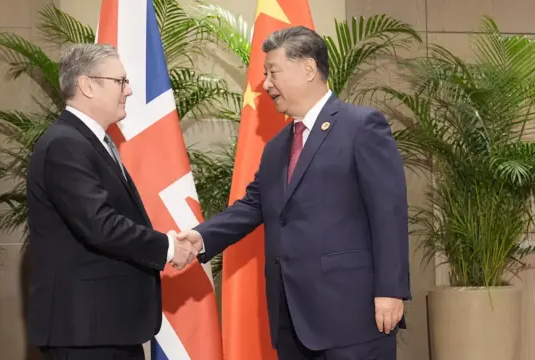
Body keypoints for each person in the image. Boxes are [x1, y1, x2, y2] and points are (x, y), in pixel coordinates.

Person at [176, 26, 411, 360]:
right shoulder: (276, 147)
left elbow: (388, 212)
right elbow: (253, 204)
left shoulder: (361, 126)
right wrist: (201, 238)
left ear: (309, 69)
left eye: (273, 73)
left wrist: (390, 290)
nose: (266, 85)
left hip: (352, 316)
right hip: (291, 319)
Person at [25, 44, 196, 360]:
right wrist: (168, 247)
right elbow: (99, 224)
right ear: (87, 85)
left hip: (106, 326)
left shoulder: (88, 141)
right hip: (85, 332)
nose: (129, 90)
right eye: (120, 81)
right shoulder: (66, 144)